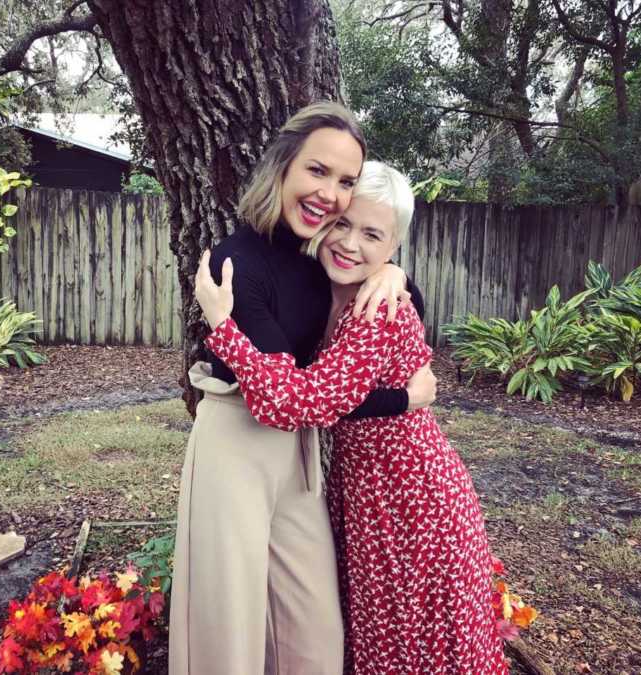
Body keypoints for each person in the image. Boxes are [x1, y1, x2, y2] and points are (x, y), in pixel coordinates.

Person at [195, 161, 507, 674]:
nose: (350, 244)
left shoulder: (376, 310)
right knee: (384, 631)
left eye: (372, 235)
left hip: (410, 500)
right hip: (370, 490)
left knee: (412, 641)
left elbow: (302, 403)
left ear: (393, 246)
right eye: (342, 224)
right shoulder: (318, 289)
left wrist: (223, 327)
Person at [168, 103, 437, 675]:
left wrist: (396, 275)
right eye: (318, 171)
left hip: (299, 445)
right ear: (283, 165)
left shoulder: (316, 253)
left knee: (313, 627)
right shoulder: (235, 263)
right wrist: (402, 400)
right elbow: (278, 395)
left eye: (344, 181)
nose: (330, 194)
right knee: (230, 622)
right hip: (238, 438)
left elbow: (381, 282)